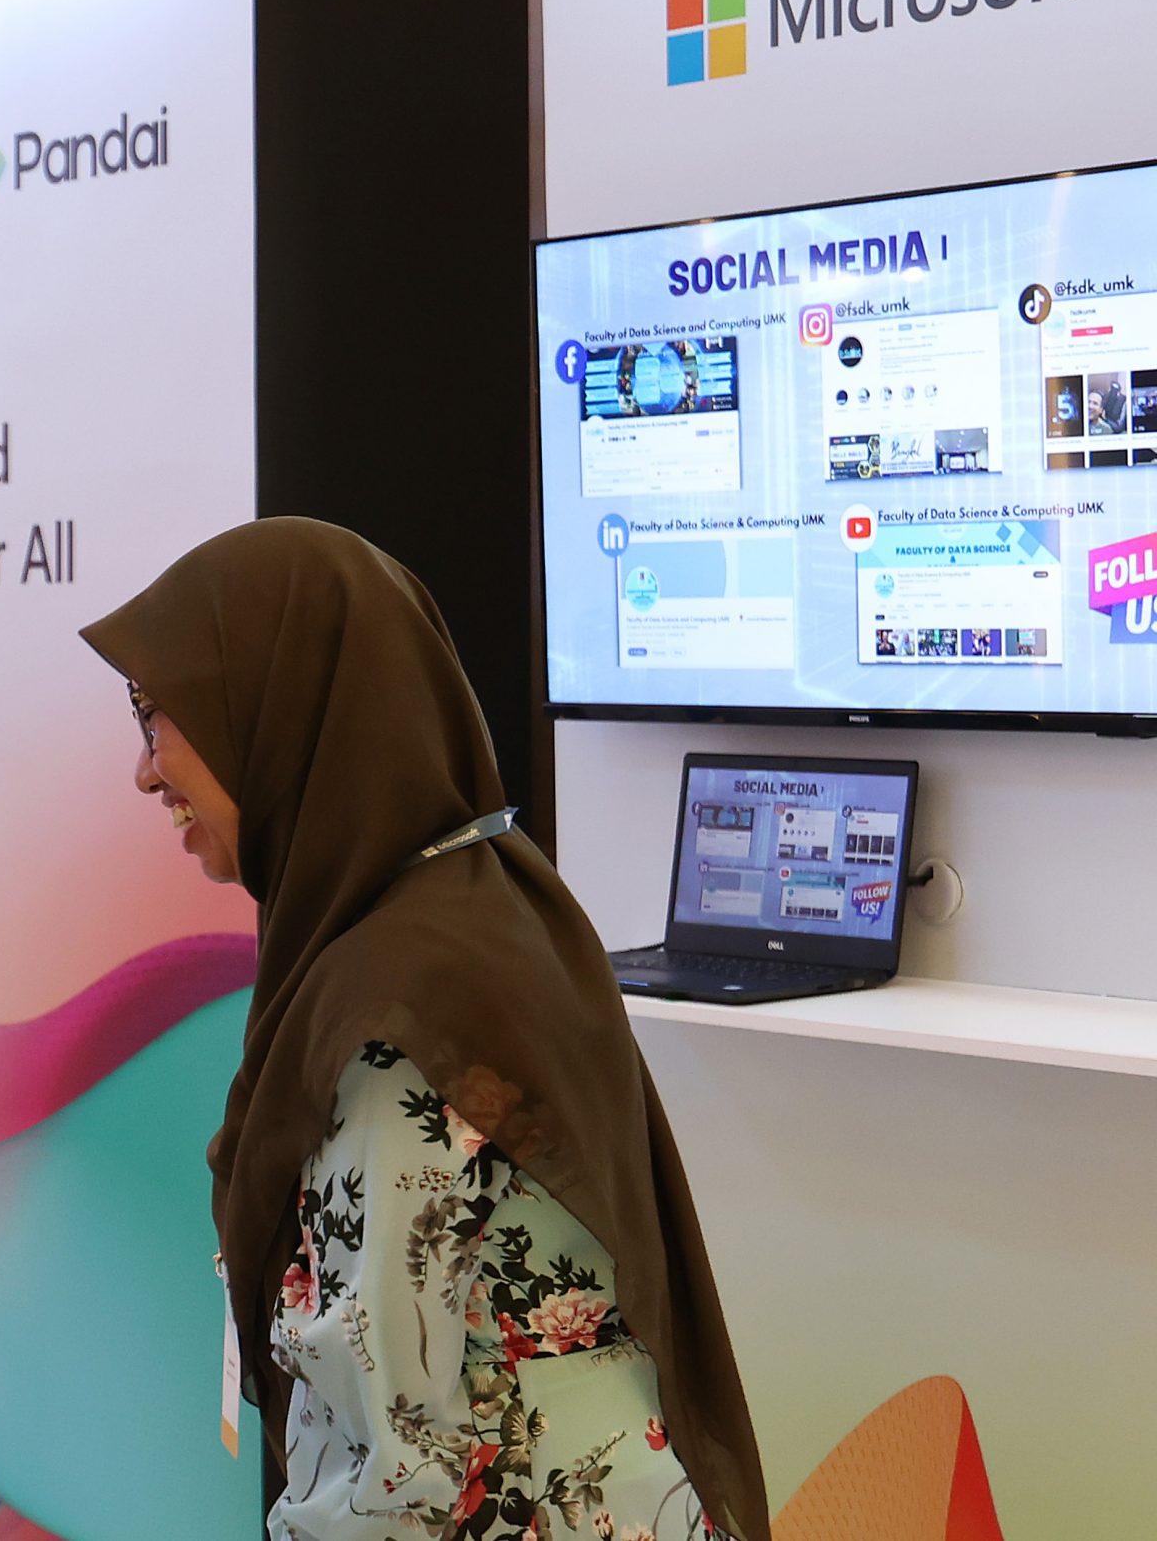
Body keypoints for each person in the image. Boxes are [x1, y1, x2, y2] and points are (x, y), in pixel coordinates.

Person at [81, 518, 772, 1541]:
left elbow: (404, 1461)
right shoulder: (483, 905)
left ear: (271, 706)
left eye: (156, 717)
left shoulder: (389, 1013)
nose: (146, 771)